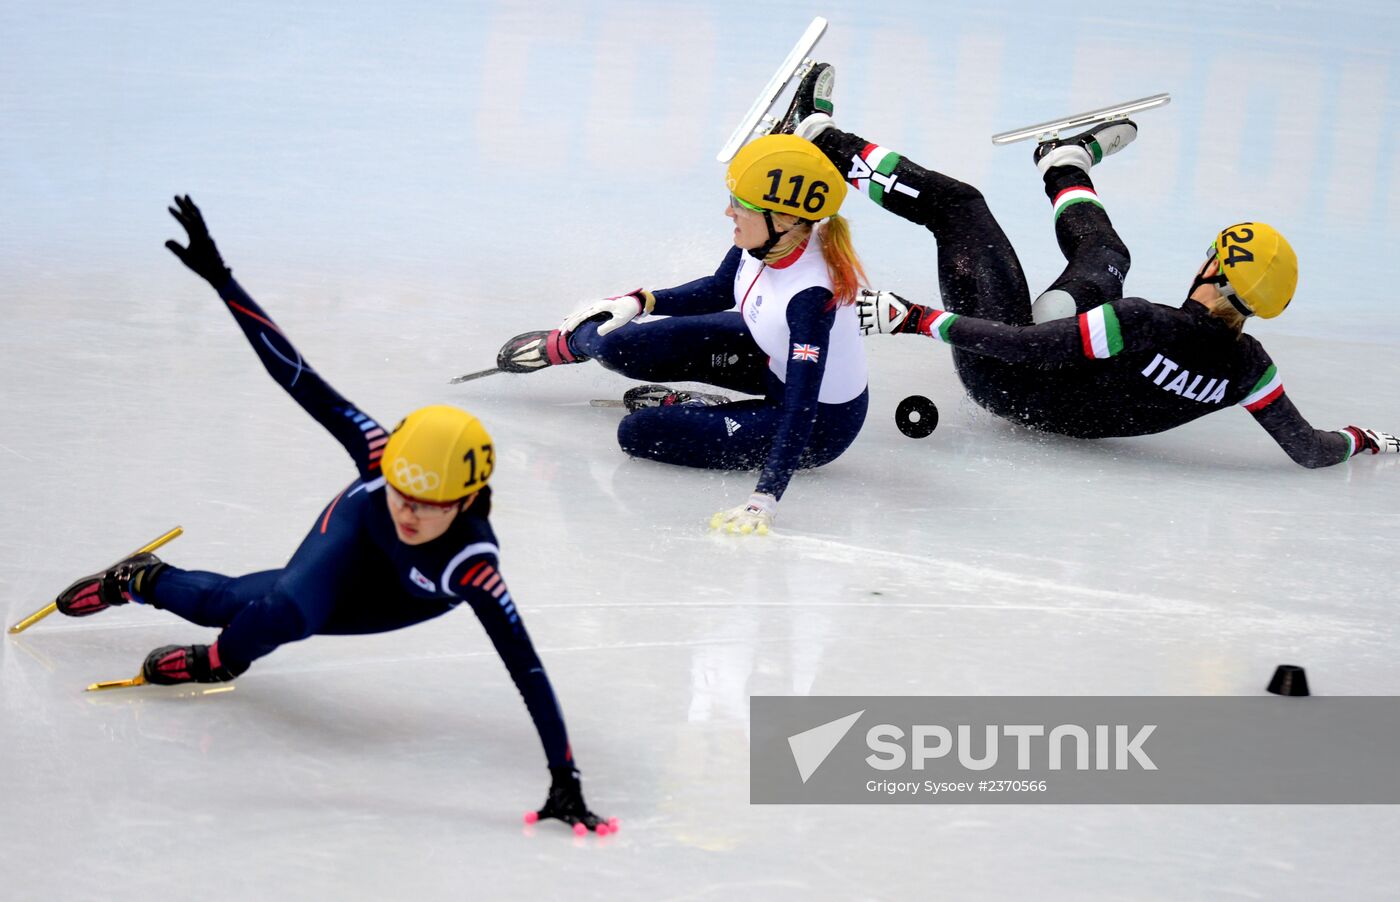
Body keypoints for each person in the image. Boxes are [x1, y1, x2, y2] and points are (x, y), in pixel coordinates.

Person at [51, 197, 614, 834]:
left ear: (467, 501)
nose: (410, 512)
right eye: (402, 491)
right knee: (268, 610)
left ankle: (182, 613)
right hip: (350, 536)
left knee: (252, 607)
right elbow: (294, 373)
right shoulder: (379, 457)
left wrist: (564, 780)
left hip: (405, 592)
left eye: (429, 505)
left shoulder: (472, 567)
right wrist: (222, 279)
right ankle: (151, 592)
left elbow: (527, 669)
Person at [776, 64, 1398, 466]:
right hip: (1066, 386)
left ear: (1217, 273)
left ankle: (816, 135)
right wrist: (1368, 440)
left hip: (1009, 375)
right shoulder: (1248, 367)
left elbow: (1030, 350)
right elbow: (1310, 450)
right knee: (1109, 256)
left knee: (961, 208)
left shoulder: (1143, 323)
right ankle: (1064, 162)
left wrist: (916, 319)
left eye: (1211, 256)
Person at [490, 134, 871, 535]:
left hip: (817, 423)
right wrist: (642, 301)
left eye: (740, 205)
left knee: (640, 434)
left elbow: (801, 406)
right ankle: (570, 343)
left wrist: (764, 501)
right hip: (767, 355)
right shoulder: (768, 240)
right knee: (618, 342)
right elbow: (720, 288)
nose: (729, 211)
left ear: (785, 219)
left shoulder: (810, 298)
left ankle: (689, 407)